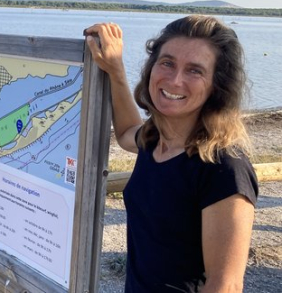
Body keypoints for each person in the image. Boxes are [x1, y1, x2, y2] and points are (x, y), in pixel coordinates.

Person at [84, 15, 258, 292]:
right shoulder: (155, 141)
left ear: (217, 85)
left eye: (195, 70)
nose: (175, 80)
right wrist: (115, 70)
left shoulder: (224, 167)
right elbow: (128, 131)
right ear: (152, 68)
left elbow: (225, 285)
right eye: (167, 63)